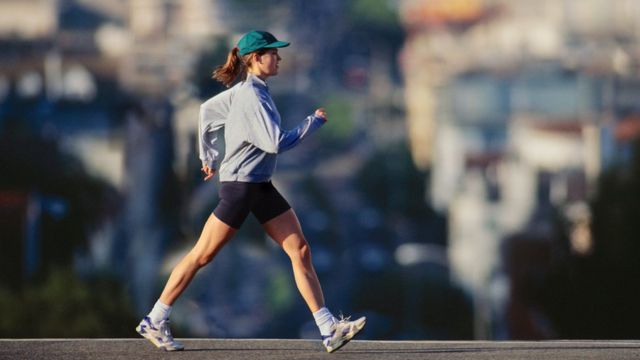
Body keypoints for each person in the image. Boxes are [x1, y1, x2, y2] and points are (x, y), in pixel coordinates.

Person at [135, 30, 365, 353]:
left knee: (300, 250)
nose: (279, 58)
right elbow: (275, 143)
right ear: (256, 59)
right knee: (202, 255)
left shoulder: (248, 91)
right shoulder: (251, 97)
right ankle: (155, 319)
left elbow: (205, 112)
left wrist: (209, 157)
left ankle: (329, 329)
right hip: (241, 189)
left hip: (260, 186)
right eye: (273, 53)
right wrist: (312, 122)